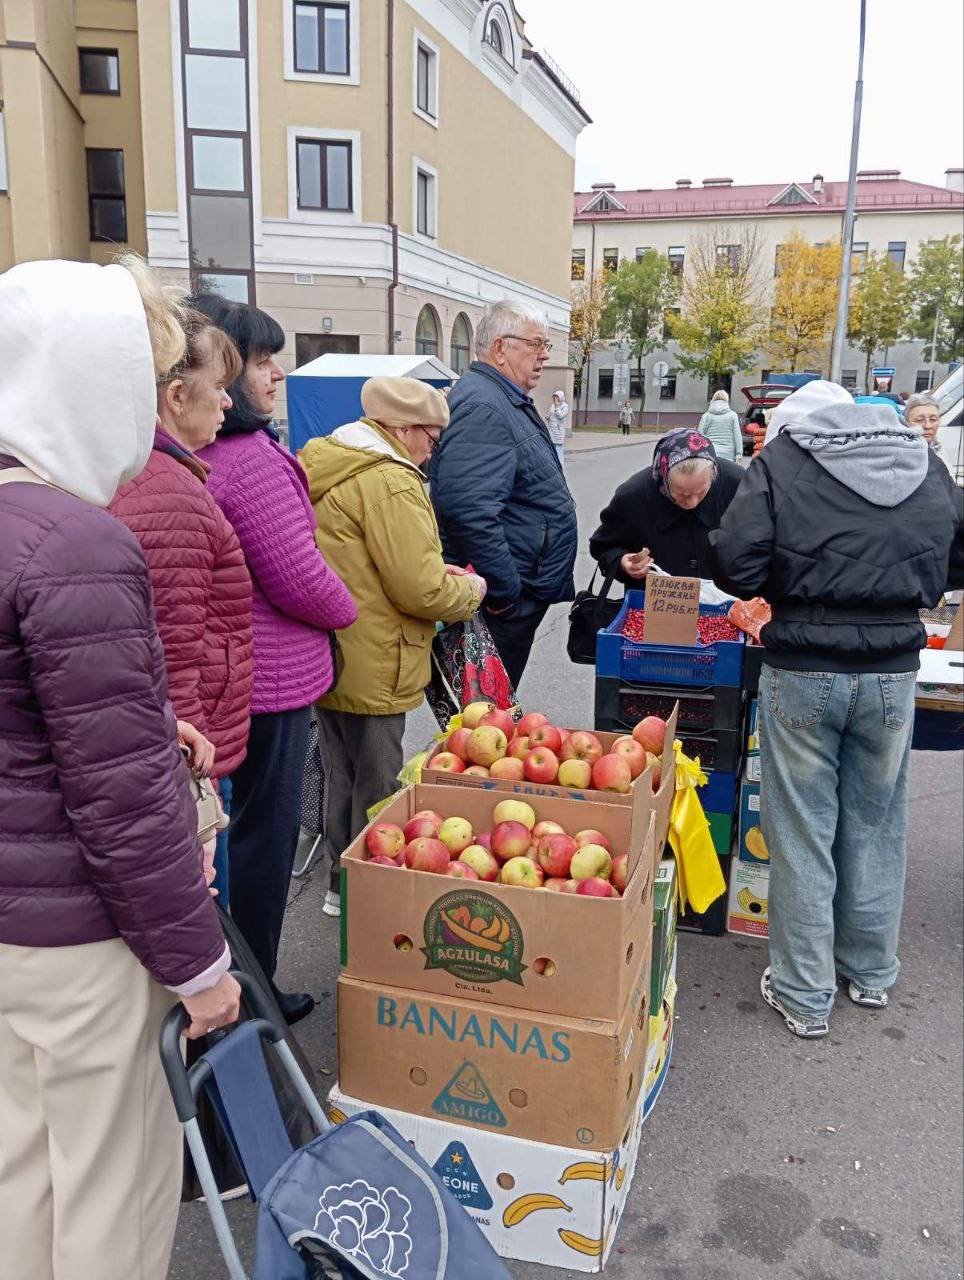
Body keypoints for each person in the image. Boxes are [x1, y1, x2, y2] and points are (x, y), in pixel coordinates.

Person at [0, 257, 240, 1280]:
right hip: (83, 942)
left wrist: (149, 723)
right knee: (113, 1188)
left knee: (23, 1171)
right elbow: (124, 804)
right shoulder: (76, 542)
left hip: (13, 928)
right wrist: (200, 964)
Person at [712, 381, 963, 1039]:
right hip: (891, 669)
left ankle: (803, 994)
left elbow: (735, 561)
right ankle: (872, 972)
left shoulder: (782, 463)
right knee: (878, 823)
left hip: (802, 664)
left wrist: (784, 585)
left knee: (801, 831)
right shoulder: (921, 461)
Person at [192, 294, 356, 1023]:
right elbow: (299, 576)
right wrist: (347, 610)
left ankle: (237, 982)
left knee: (232, 840)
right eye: (259, 361)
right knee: (263, 842)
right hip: (270, 683)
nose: (274, 375)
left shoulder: (190, 454)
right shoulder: (249, 462)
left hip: (224, 680)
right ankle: (255, 990)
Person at [301, 378, 486, 911]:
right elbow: (419, 587)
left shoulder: (327, 461)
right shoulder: (391, 483)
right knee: (379, 779)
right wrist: (468, 592)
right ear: (401, 430)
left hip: (332, 650)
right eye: (430, 437)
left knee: (340, 769)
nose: (432, 450)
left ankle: (340, 879)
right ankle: (367, 889)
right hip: (379, 653)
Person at [110, 313, 254, 906]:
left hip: (185, 734)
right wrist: (194, 790)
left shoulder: (147, 473)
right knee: (201, 898)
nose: (227, 402)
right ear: (174, 395)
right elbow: (172, 647)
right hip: (194, 744)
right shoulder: (170, 493)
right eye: (218, 387)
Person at [431, 299, 578, 687]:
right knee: (483, 719)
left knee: (489, 717)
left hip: (513, 595)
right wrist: (504, 592)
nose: (545, 354)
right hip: (502, 604)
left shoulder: (499, 397)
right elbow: (468, 510)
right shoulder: (485, 405)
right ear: (500, 347)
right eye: (536, 344)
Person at [590, 427, 743, 582]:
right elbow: (603, 546)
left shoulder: (738, 485)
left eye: (701, 492)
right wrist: (623, 562)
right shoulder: (633, 495)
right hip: (655, 602)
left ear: (713, 475)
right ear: (664, 479)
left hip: (728, 601)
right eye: (682, 494)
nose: (692, 503)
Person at [698, 389, 743, 462]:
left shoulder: (706, 415)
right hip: (728, 455)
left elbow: (699, 435)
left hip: (710, 453)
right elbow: (737, 436)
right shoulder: (733, 415)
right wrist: (739, 454)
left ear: (713, 399)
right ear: (727, 400)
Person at [546, 388, 570, 464]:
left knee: (558, 446)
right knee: (551, 445)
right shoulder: (553, 405)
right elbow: (551, 414)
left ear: (561, 397)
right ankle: (553, 462)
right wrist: (548, 417)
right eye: (554, 397)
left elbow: (560, 416)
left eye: (557, 397)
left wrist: (557, 407)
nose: (555, 398)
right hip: (551, 428)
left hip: (558, 429)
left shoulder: (565, 406)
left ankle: (559, 462)